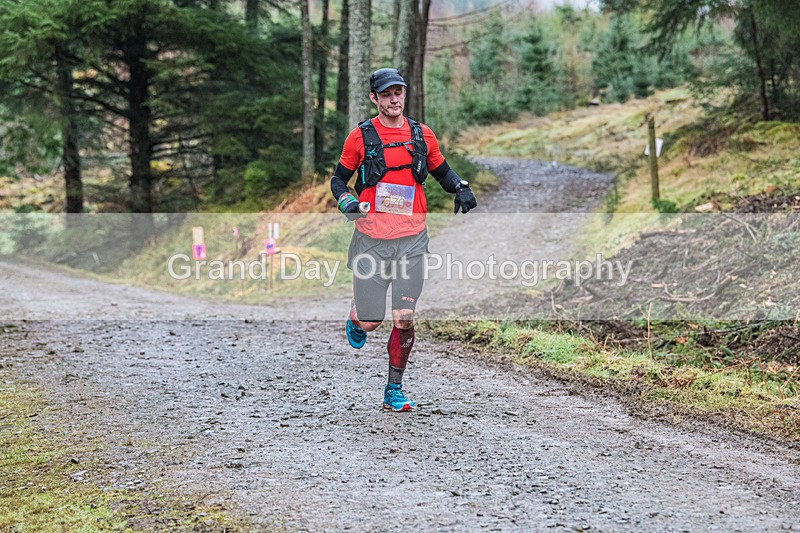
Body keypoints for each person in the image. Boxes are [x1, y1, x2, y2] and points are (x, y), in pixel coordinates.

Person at [330, 67, 477, 412]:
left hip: (412, 239)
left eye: (398, 92)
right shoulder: (360, 137)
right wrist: (347, 201)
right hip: (371, 240)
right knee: (371, 320)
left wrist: (460, 187)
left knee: (404, 318)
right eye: (386, 94)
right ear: (374, 99)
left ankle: (393, 389)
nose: (394, 99)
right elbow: (339, 180)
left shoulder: (421, 134)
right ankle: (356, 317)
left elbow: (441, 168)